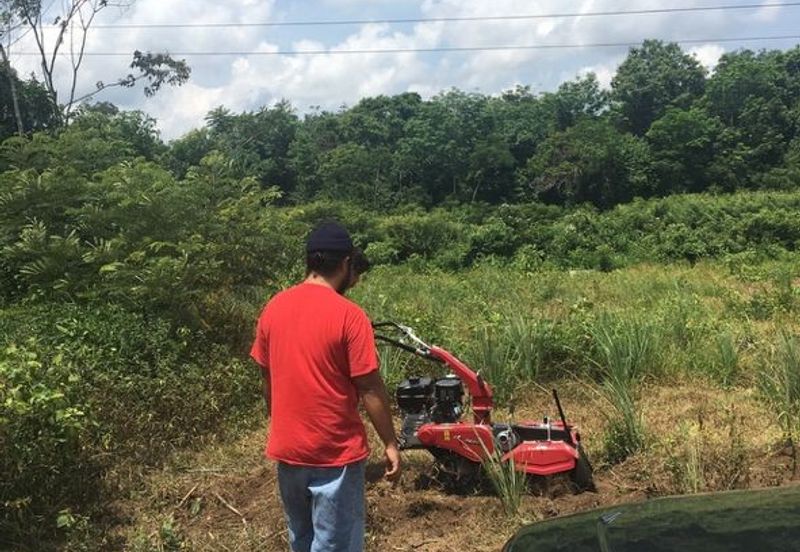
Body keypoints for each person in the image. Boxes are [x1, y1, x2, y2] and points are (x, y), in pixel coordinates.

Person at [250, 221, 400, 552]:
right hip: (335, 453)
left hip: (288, 451)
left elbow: (268, 378)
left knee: (301, 539)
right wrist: (390, 441)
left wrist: (281, 423)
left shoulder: (273, 308)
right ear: (346, 263)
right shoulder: (349, 315)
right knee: (335, 546)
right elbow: (370, 388)